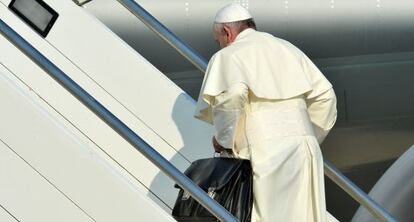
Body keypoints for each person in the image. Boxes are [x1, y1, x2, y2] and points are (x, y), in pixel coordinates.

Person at [194, 3, 339, 222]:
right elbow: (326, 96)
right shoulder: (287, 48)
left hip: (264, 152)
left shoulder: (229, 55)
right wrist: (309, 135)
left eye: (219, 41)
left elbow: (233, 95)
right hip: (304, 150)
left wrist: (224, 140)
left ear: (227, 32)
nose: (221, 46)